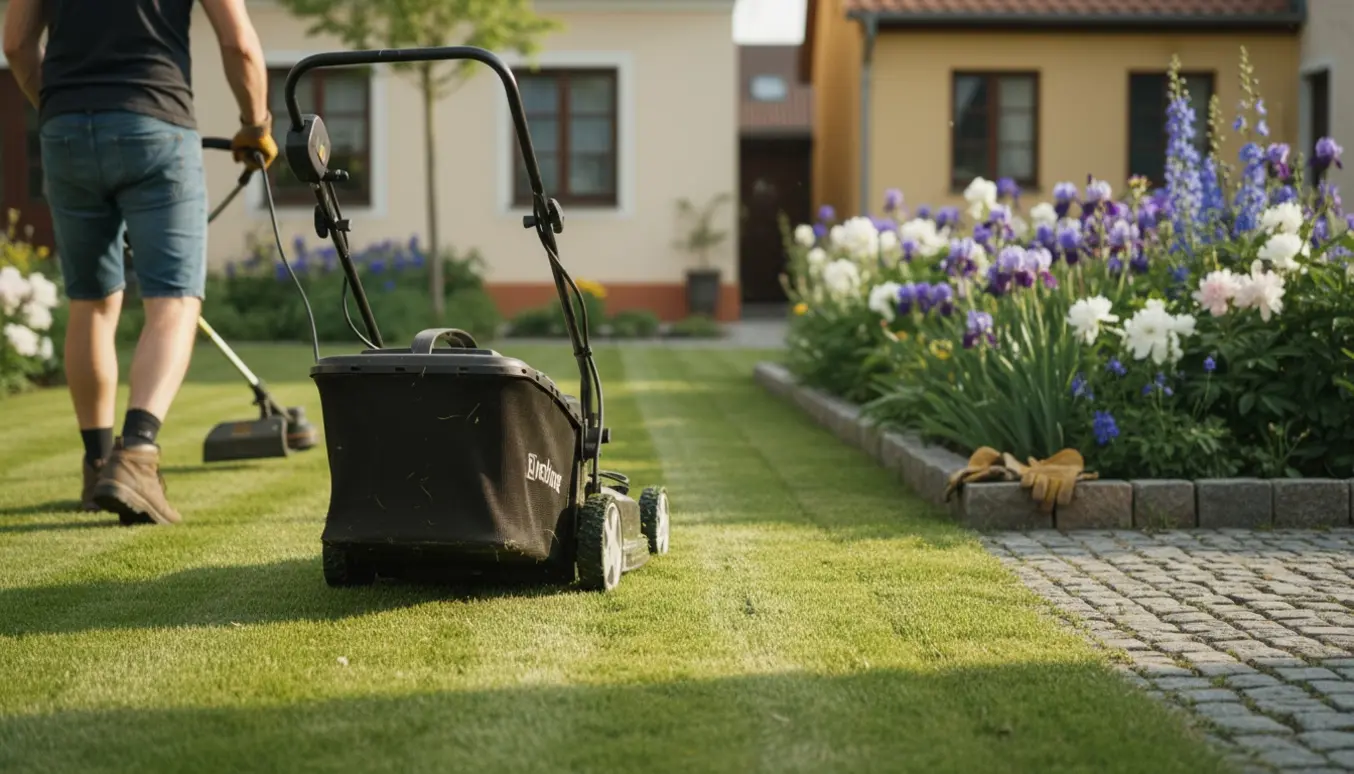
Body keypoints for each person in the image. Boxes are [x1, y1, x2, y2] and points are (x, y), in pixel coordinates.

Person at [2, 0, 279, 525]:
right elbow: (239, 43)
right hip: (154, 124)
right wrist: (254, 124)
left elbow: (15, 45)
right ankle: (138, 457)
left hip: (63, 133)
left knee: (92, 300)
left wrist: (59, 107)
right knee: (173, 299)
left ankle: (98, 464)